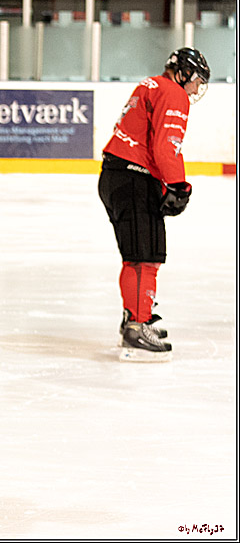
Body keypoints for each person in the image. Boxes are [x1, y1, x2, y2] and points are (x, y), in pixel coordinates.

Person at [98, 47, 210, 363]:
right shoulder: (173, 93)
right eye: (197, 81)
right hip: (134, 179)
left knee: (140, 252)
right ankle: (136, 326)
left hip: (117, 178)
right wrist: (178, 185)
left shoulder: (150, 85)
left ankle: (136, 316)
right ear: (183, 73)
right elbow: (166, 146)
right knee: (143, 256)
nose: (196, 89)